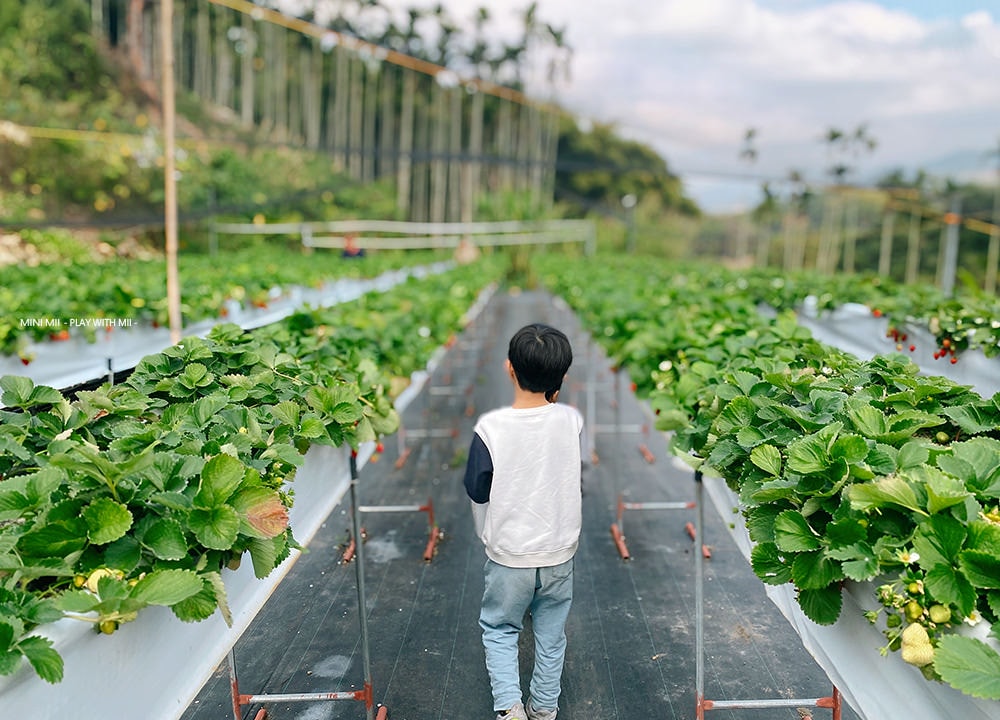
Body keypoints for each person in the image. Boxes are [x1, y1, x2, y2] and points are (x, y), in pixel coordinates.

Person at [463, 323, 584, 720]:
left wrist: (487, 529)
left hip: (509, 555)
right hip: (558, 553)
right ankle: (544, 707)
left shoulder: (490, 429)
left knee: (500, 629)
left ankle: (509, 708)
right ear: (562, 378)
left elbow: (477, 488)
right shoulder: (571, 421)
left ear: (509, 369)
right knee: (551, 634)